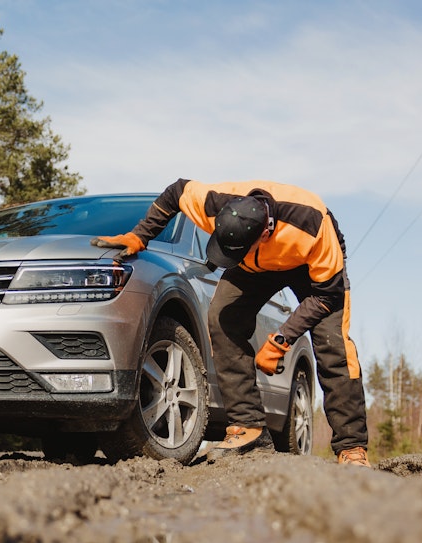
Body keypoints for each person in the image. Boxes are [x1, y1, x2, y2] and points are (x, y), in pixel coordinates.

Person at [91, 178, 371, 467]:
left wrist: (281, 339)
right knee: (223, 319)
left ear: (264, 233)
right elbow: (177, 191)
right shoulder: (215, 201)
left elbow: (326, 296)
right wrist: (141, 236)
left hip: (310, 269)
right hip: (255, 265)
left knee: (333, 346)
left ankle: (351, 446)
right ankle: (248, 427)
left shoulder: (312, 226)